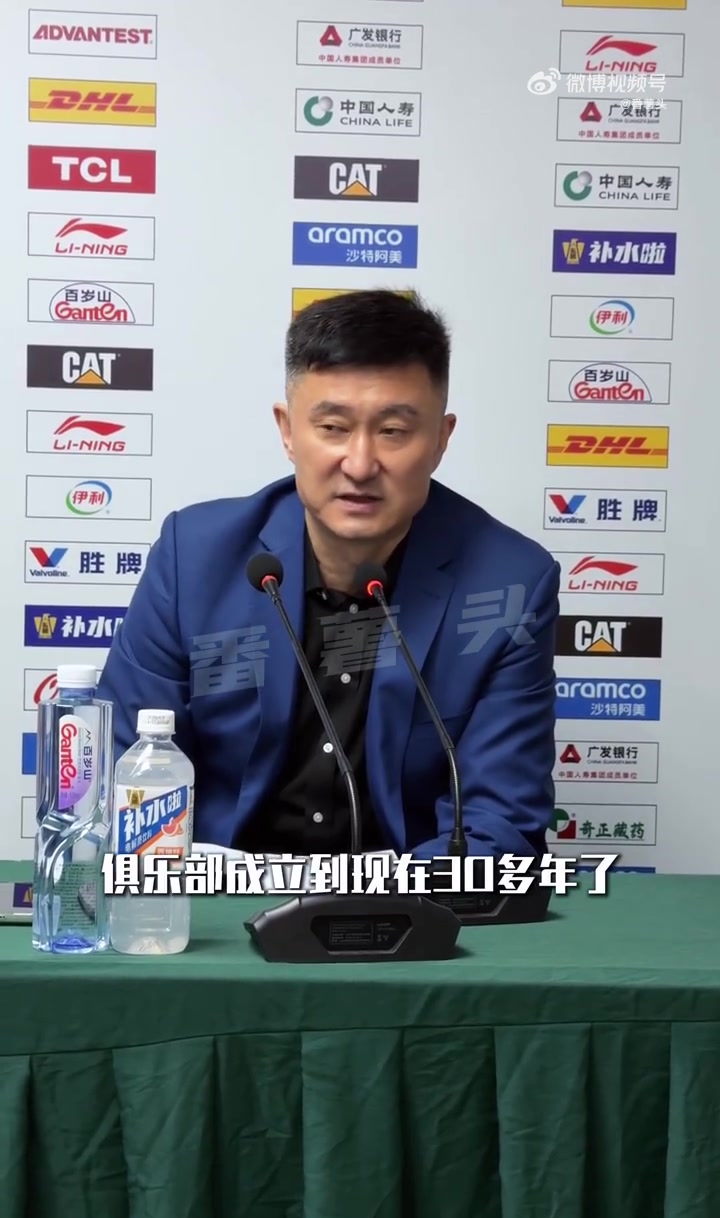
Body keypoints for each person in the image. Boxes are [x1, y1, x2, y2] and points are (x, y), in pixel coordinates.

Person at [97, 289, 560, 862]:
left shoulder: (510, 583)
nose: (360, 465)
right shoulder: (193, 557)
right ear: (288, 430)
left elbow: (501, 828)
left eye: (394, 431)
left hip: (405, 905)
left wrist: (367, 894)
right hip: (219, 897)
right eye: (333, 427)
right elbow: (123, 777)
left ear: (441, 439)